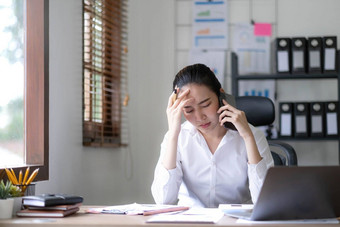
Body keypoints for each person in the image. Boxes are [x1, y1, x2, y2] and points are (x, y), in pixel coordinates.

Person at [151, 63, 274, 208]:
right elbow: (163, 200)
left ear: (220, 95)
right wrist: (173, 135)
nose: (199, 117)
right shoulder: (178, 137)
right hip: (191, 221)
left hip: (234, 222)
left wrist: (247, 137)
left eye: (205, 105)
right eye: (188, 110)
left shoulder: (252, 135)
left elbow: (265, 201)